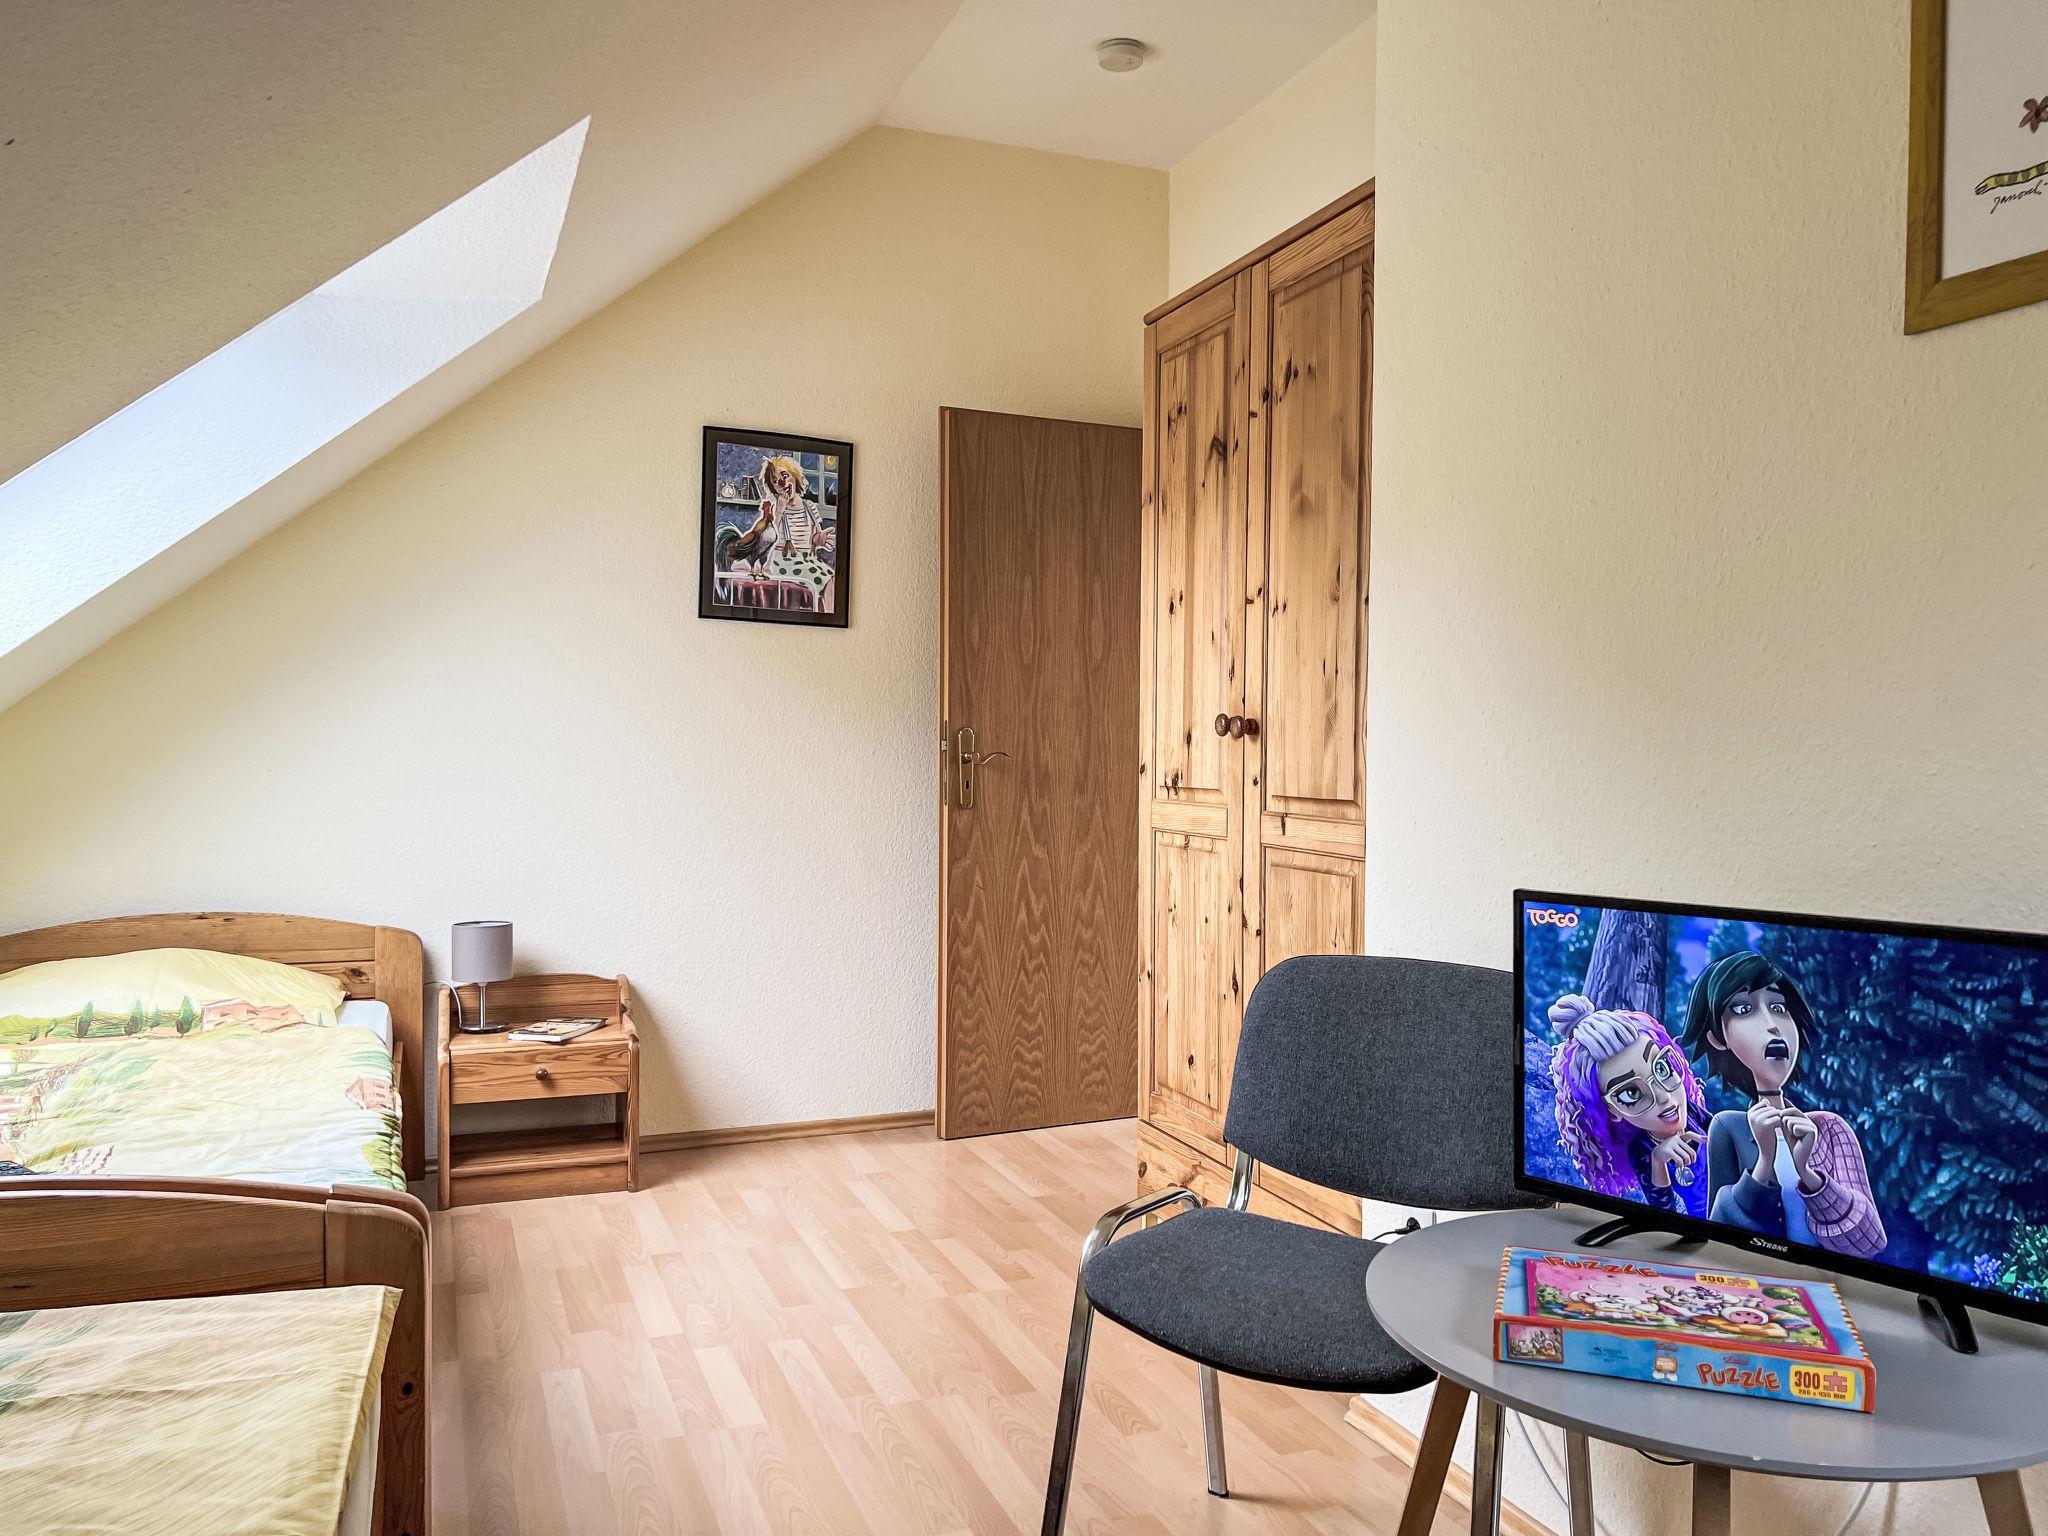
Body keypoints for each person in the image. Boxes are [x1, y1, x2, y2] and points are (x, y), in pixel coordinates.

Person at [1678, 950, 1886, 1257]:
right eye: (1743, 1009)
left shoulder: (1830, 1129)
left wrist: (1809, 1176)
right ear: (1718, 1039)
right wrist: (1764, 1162)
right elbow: (1717, 1233)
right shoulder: (1729, 1127)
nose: (1772, 1025)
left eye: (1778, 1007)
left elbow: (1870, 1242)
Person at [1548, 995, 1710, 1215]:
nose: (1664, 1096)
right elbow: (1663, 1214)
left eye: (1661, 1068)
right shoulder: (1642, 1150)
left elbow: (1724, 1131)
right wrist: (1658, 1161)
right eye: (1631, 1093)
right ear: (1611, 1110)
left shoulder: (1691, 1113)